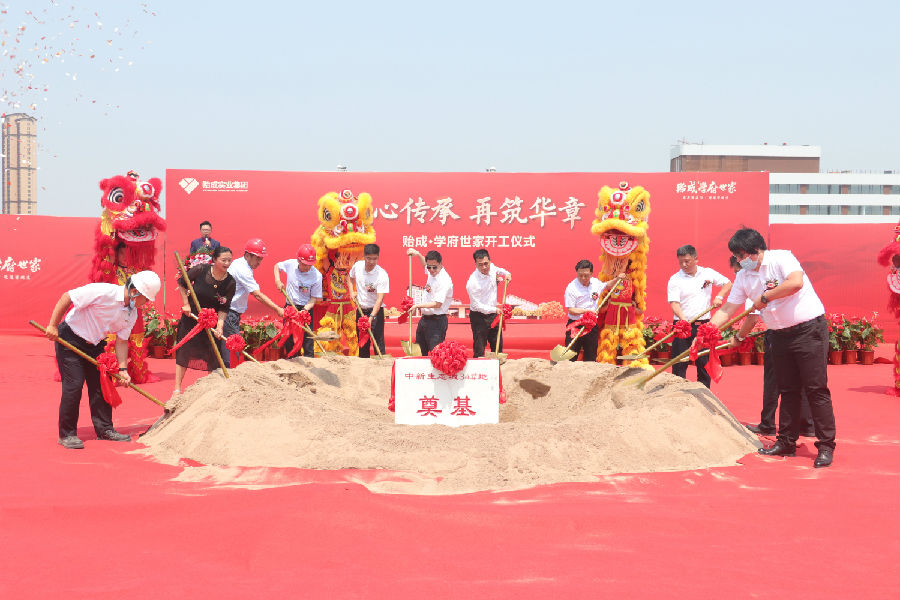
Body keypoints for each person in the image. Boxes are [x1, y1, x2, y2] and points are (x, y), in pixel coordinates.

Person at [711, 227, 836, 468]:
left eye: (741, 255)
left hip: (808, 330)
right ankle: (786, 442)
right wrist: (707, 331)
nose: (739, 261)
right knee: (787, 390)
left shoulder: (782, 258)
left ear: (755, 250)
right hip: (779, 335)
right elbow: (728, 308)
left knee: (815, 389)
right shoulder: (743, 277)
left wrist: (766, 297)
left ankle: (826, 445)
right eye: (736, 256)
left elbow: (795, 283)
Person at [44, 270, 161, 449]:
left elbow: (122, 341)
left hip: (95, 345)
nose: (145, 303)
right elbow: (67, 297)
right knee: (74, 385)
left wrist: (123, 369)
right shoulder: (103, 291)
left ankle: (105, 429)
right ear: (134, 292)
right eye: (145, 299)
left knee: (102, 384)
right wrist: (52, 325)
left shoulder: (132, 314)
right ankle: (67, 434)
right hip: (70, 339)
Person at [727, 257, 814, 437]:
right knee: (801, 378)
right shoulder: (773, 278)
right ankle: (807, 425)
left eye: (737, 271)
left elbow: (752, 318)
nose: (737, 276)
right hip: (801, 330)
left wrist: (739, 337)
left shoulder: (754, 283)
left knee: (773, 382)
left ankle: (767, 423)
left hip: (778, 335)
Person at [666, 245, 733, 388]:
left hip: (704, 326)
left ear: (696, 259)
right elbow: (674, 303)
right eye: (681, 262)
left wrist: (719, 297)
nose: (684, 265)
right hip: (682, 327)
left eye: (687, 261)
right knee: (679, 363)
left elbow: (728, 283)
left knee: (704, 363)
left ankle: (704, 392)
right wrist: (684, 320)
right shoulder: (675, 279)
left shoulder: (707, 273)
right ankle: (677, 392)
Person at [174, 246, 236, 394]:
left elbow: (224, 308)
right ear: (214, 260)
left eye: (229, 260)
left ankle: (208, 391)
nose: (227, 263)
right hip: (191, 318)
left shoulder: (230, 282)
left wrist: (219, 326)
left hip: (211, 323)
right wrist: (186, 304)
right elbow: (182, 283)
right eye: (224, 260)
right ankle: (177, 389)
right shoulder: (201, 270)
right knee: (184, 352)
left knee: (213, 356)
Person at [223, 238, 285, 367]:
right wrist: (278, 309)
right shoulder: (243, 269)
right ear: (247, 255)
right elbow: (257, 295)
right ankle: (230, 374)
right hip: (229, 313)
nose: (259, 262)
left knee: (228, 347)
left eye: (261, 259)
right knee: (233, 348)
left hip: (230, 312)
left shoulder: (240, 264)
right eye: (257, 258)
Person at [563, 259, 623, 362]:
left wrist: (618, 279)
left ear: (591, 273)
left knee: (591, 357)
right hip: (576, 325)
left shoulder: (595, 283)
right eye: (580, 275)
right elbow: (571, 310)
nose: (583, 278)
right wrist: (586, 311)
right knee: (570, 356)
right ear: (577, 273)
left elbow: (607, 285)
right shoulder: (571, 288)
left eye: (586, 275)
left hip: (591, 325)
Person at [274, 243, 323, 357]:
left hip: (305, 310)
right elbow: (277, 266)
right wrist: (277, 280)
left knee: (307, 339)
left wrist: (304, 310)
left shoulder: (316, 276)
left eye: (310, 265)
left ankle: (309, 361)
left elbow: (313, 298)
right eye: (304, 264)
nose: (307, 267)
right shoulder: (291, 264)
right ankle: (292, 361)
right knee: (289, 338)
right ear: (298, 260)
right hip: (290, 308)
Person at [465, 249, 511, 358]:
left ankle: (498, 367)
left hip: (493, 315)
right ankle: (479, 367)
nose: (484, 267)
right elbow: (476, 305)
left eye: (486, 263)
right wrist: (494, 309)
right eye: (480, 265)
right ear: (475, 264)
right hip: (479, 317)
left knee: (497, 346)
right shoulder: (472, 282)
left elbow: (500, 270)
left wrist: (507, 274)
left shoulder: (492, 268)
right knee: (479, 348)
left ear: (490, 261)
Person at [408, 248, 454, 356]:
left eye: (434, 267)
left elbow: (437, 304)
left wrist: (417, 306)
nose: (431, 270)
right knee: (419, 352)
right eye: (429, 267)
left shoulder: (444, 280)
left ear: (441, 264)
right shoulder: (432, 272)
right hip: (425, 319)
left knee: (436, 354)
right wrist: (418, 254)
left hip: (437, 322)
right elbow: (425, 264)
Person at [349, 243, 389, 357]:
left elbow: (379, 299)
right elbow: (350, 277)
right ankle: (363, 364)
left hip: (375, 312)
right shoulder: (357, 266)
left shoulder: (382, 274)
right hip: (361, 310)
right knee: (362, 342)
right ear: (364, 256)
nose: (371, 262)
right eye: (369, 258)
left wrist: (371, 317)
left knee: (378, 342)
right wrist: (351, 291)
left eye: (375, 259)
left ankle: (380, 364)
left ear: (378, 257)